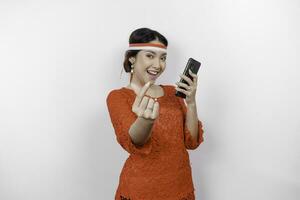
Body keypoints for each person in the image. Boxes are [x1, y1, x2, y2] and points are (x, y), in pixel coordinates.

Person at [106, 27, 204, 200]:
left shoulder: (172, 93)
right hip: (141, 190)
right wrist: (145, 121)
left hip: (181, 186)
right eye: (150, 56)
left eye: (163, 58)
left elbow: (191, 141)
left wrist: (191, 102)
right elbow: (135, 142)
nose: (158, 65)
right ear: (132, 58)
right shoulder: (118, 97)